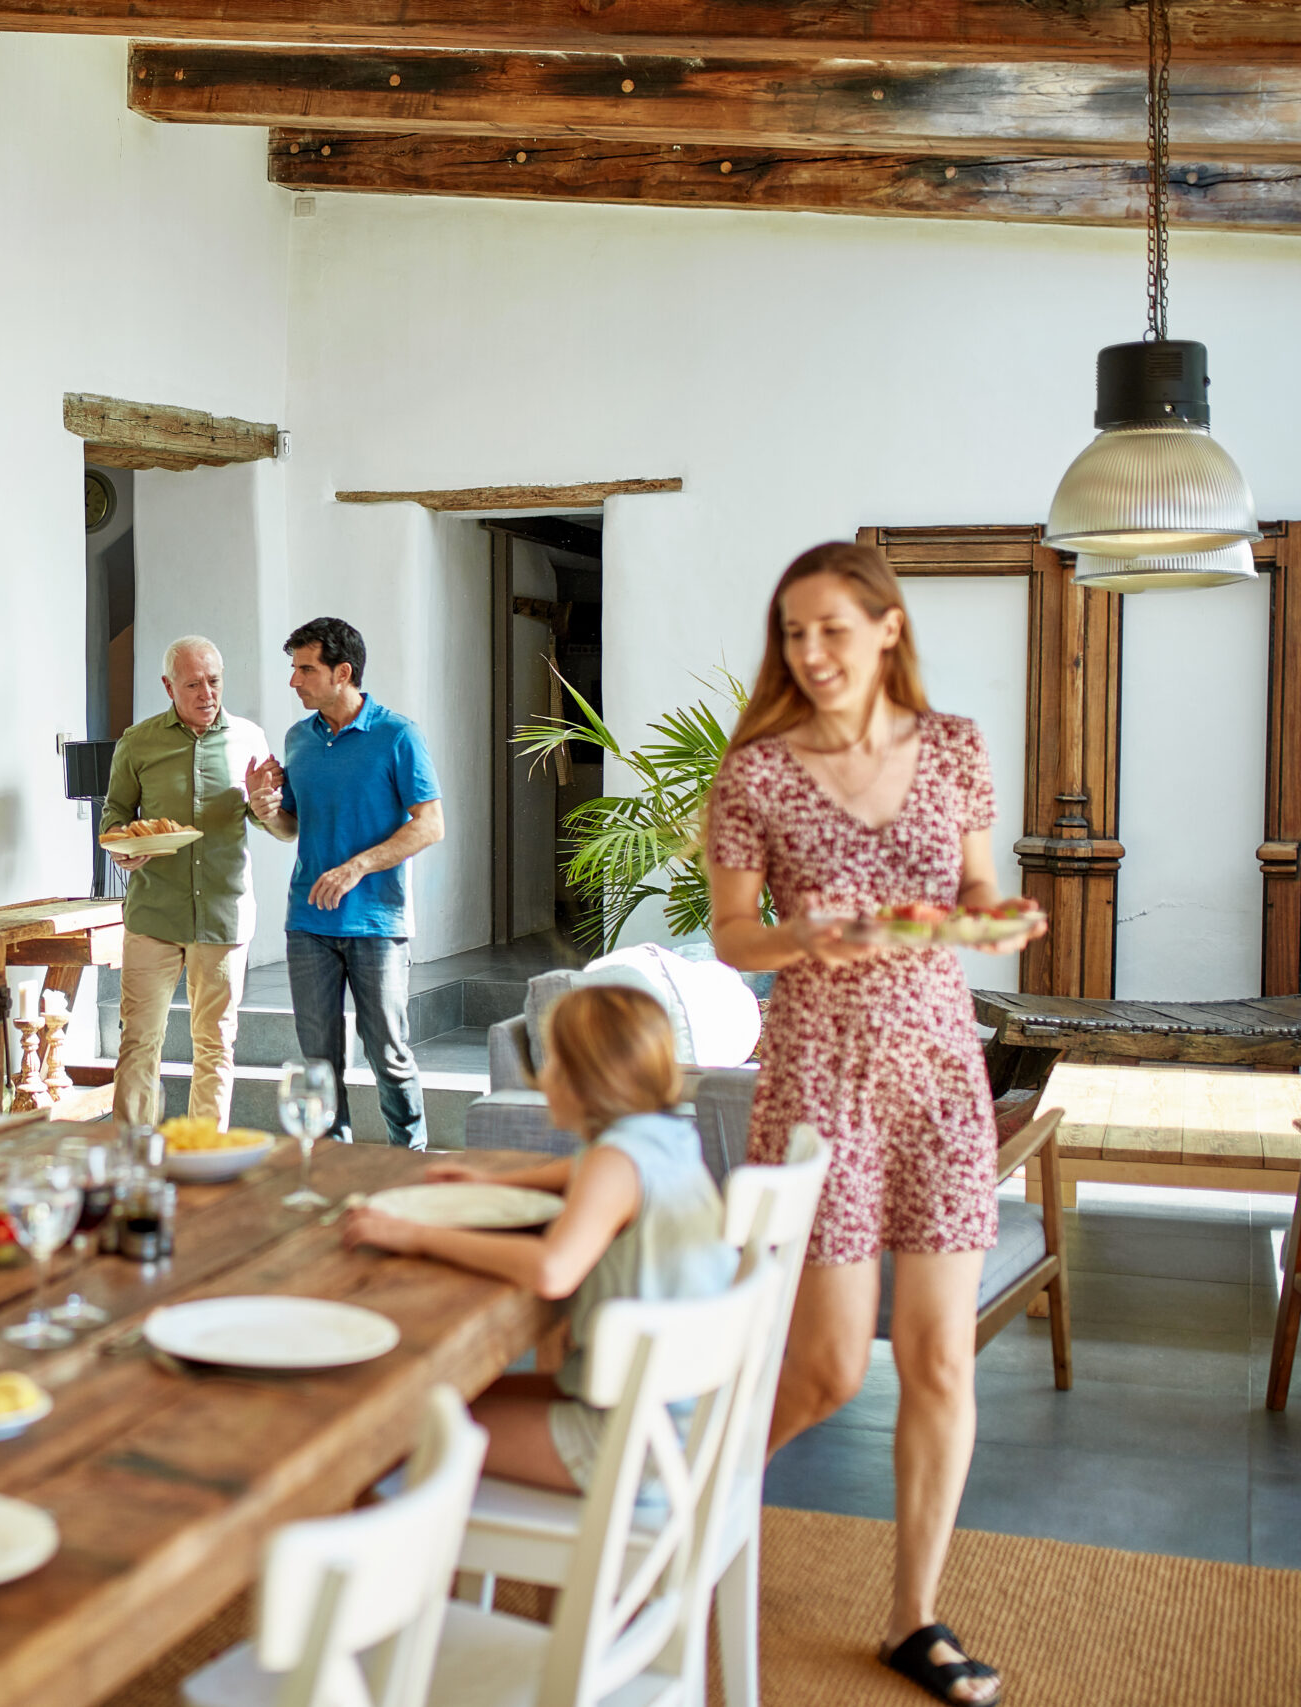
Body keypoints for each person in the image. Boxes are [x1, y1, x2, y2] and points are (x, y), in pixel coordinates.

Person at [705, 541, 1037, 1707]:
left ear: (886, 628)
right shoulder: (755, 773)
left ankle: (913, 1616)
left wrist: (998, 921)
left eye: (832, 628)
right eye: (793, 631)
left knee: (942, 1358)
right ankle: (673, 1512)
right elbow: (734, 935)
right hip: (819, 1078)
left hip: (943, 1077)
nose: (809, 652)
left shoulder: (954, 749)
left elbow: (976, 891)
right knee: (835, 1367)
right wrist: (808, 938)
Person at [342, 984, 733, 1491]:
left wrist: (414, 1235)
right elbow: (577, 1173)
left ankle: (399, 1556)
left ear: (586, 1079)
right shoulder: (665, 1137)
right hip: (682, 1417)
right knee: (436, 1402)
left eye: (554, 1063)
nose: (542, 1076)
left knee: (393, 1432)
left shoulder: (613, 1163)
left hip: (630, 1440)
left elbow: (553, 1270)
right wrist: (494, 1182)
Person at [244, 616, 444, 1148]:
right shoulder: (298, 740)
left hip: (376, 922)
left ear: (343, 672)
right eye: (294, 668)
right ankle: (332, 1165)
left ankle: (411, 1160)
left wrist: (357, 866)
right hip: (307, 923)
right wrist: (266, 810)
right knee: (318, 1061)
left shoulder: (397, 735)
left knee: (388, 1053)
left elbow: (430, 825)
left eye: (306, 669)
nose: (294, 681)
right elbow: (291, 827)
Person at [102, 636, 278, 1130]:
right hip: (154, 914)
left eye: (214, 681)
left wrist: (269, 808)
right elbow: (116, 813)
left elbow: (272, 819)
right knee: (138, 1039)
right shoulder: (137, 742)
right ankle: (132, 1152)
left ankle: (205, 1153)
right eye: (193, 684)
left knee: (216, 1043)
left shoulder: (249, 738)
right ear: (168, 686)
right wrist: (122, 846)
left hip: (223, 914)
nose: (206, 693)